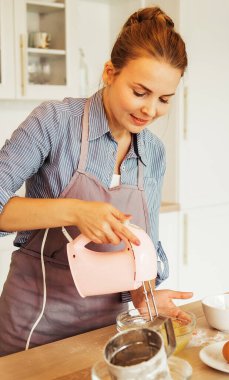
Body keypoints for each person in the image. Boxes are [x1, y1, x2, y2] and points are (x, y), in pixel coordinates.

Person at [0, 6, 193, 356]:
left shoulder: (153, 152)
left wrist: (145, 297)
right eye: (140, 92)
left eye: (164, 99)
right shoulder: (55, 123)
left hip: (111, 332)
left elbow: (141, 246)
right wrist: (75, 211)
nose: (150, 110)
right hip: (35, 329)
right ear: (110, 72)